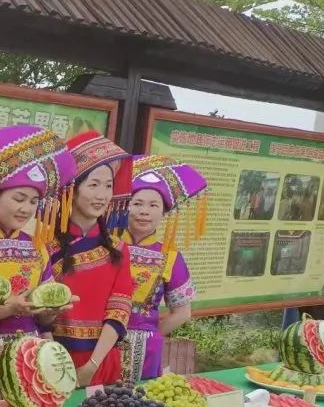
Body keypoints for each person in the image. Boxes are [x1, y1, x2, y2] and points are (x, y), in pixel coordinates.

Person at [0, 125, 77, 403]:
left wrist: (51, 311)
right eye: (18, 199)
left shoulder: (38, 248)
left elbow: (43, 320)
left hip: (31, 358)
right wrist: (11, 307)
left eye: (34, 201)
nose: (26, 208)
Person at [44, 130, 135, 387]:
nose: (102, 195)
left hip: (101, 360)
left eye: (108, 186)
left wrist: (92, 365)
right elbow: (39, 312)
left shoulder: (118, 248)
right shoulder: (44, 246)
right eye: (93, 185)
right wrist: (57, 363)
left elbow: (119, 310)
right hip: (52, 359)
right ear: (72, 189)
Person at [120, 155, 206, 382]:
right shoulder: (108, 247)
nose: (144, 211)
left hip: (146, 350)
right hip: (98, 342)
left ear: (164, 212)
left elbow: (182, 312)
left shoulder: (170, 257)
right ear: (125, 207)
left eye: (153, 205)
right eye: (137, 203)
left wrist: (149, 334)